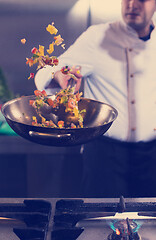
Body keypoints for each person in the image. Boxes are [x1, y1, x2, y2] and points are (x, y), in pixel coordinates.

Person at [35, 0, 156, 198]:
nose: (133, 4)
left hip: (152, 156)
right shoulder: (97, 37)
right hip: (105, 154)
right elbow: (50, 69)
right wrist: (58, 74)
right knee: (100, 221)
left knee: (151, 223)